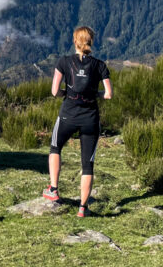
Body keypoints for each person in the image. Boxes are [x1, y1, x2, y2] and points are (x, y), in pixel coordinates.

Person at [42, 25, 112, 217]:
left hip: (67, 115)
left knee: (55, 147)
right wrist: (92, 94)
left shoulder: (64, 62)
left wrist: (69, 93)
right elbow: (108, 95)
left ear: (75, 41)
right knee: (87, 164)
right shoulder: (100, 65)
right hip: (90, 119)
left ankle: (53, 190)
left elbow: (55, 91)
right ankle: (83, 208)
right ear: (91, 42)